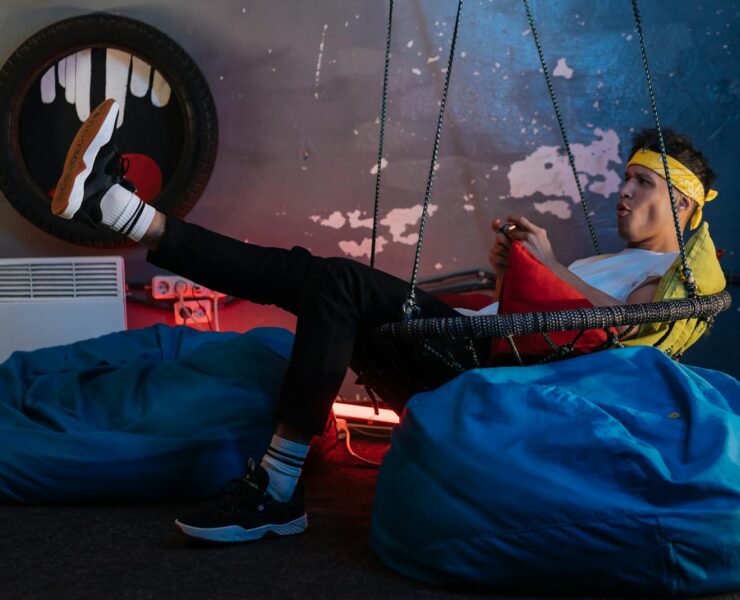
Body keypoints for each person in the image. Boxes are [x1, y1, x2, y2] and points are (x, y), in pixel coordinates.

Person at [51, 99, 716, 543]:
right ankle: (122, 211)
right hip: (465, 344)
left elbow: (626, 333)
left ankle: (275, 490)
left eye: (643, 183)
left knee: (329, 281)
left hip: (481, 371)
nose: (623, 192)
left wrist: (546, 264)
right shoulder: (610, 258)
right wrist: (513, 270)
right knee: (315, 280)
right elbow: (549, 308)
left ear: (684, 206)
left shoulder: (660, 278)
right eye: (626, 178)